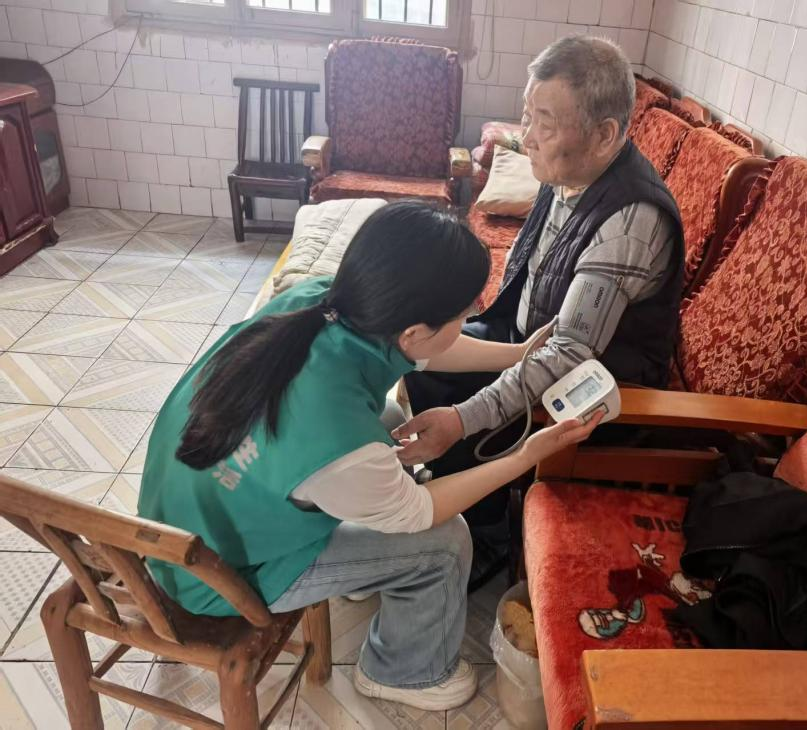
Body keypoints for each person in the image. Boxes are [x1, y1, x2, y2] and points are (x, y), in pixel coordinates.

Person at [137, 201, 601, 711]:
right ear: (413, 331)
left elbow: (431, 349)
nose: (469, 317)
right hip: (214, 575)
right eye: (465, 313)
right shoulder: (336, 433)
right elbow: (423, 512)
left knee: (386, 417)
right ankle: (402, 671)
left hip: (183, 510)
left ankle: (362, 569)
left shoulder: (322, 302)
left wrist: (517, 354)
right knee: (445, 543)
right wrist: (522, 457)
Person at [400, 36, 686, 587]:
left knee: (455, 399)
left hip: (595, 386)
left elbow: (570, 356)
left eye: (544, 124)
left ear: (604, 134)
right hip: (532, 336)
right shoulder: (571, 171)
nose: (526, 137)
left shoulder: (630, 221)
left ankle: (485, 534)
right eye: (527, 115)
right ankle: (450, 496)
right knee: (428, 353)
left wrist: (463, 418)